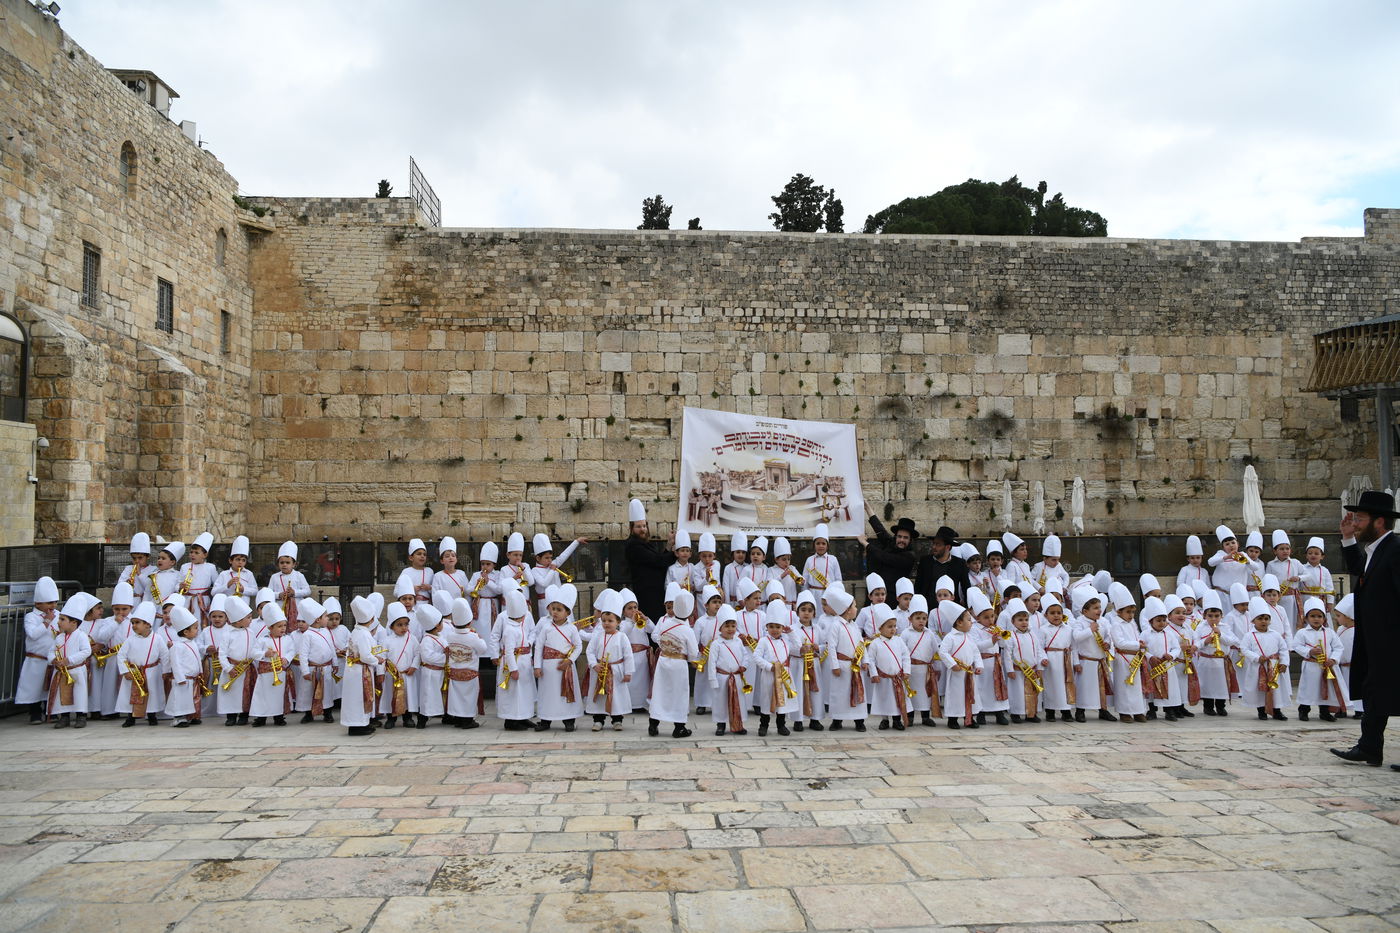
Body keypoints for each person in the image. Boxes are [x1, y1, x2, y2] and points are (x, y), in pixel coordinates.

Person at [1332, 490, 1399, 769]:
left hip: (1393, 639)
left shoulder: (1396, 550)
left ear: (1379, 522)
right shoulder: (1377, 550)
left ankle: (1370, 746)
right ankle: (1370, 747)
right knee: (1375, 692)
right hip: (1377, 640)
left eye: (1360, 519)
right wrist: (1348, 537)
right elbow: (1363, 572)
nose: (1355, 523)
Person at [649, 589, 698, 738]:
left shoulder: (665, 623)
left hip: (663, 661)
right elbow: (693, 653)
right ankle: (679, 727)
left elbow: (658, 639)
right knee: (679, 694)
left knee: (660, 692)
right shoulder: (687, 630)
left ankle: (653, 724)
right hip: (679, 664)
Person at [624, 498, 674, 621]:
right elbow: (658, 561)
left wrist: (669, 545)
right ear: (632, 528)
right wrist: (675, 554)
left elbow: (658, 560)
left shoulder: (644, 543)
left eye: (644, 526)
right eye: (639, 526)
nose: (643, 529)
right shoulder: (633, 545)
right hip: (647, 594)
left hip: (655, 592)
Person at [861, 504, 918, 607]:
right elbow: (881, 531)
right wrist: (868, 508)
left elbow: (884, 557)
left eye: (905, 538)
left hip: (892, 600)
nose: (901, 540)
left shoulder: (909, 557)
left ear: (910, 540)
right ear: (896, 537)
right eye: (899, 536)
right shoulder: (892, 544)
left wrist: (865, 544)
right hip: (875, 596)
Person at [916, 525, 970, 606]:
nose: (934, 547)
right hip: (927, 609)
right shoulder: (925, 561)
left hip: (951, 609)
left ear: (947, 547)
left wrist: (968, 607)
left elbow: (966, 588)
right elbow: (918, 586)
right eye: (934, 543)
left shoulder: (959, 564)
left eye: (938, 545)